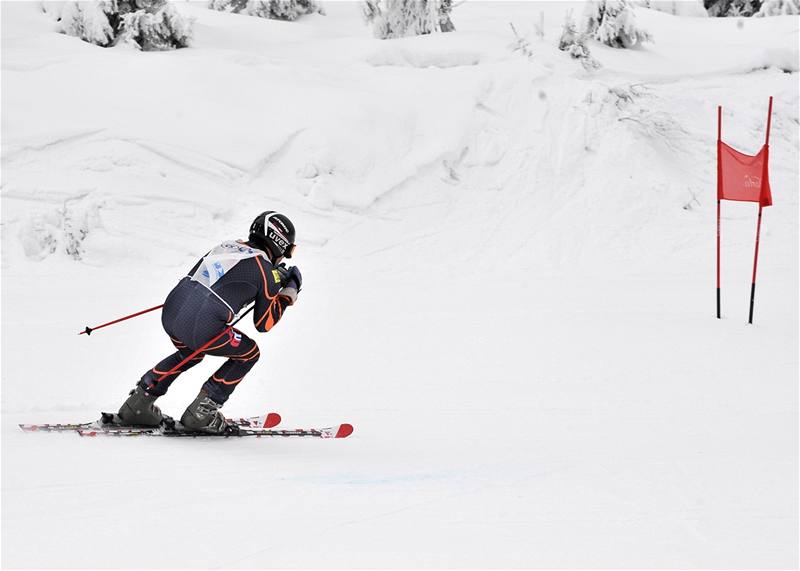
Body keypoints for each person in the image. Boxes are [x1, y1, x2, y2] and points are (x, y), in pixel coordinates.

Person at [116, 211, 302, 434]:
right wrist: (289, 290)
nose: (286, 257)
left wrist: (272, 279)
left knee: (191, 352)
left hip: (171, 313)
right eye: (289, 251)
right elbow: (264, 323)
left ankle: (138, 404)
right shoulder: (266, 273)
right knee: (249, 353)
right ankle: (201, 413)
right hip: (202, 326)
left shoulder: (227, 246)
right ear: (279, 244)